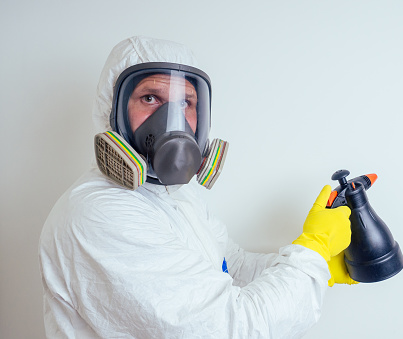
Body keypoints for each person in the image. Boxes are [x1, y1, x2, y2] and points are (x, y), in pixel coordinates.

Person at [39, 36, 355, 339]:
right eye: (150, 98)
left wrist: (319, 267)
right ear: (113, 109)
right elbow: (233, 330)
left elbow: (231, 267)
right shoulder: (101, 214)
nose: (172, 120)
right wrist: (312, 252)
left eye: (185, 102)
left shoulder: (175, 194)